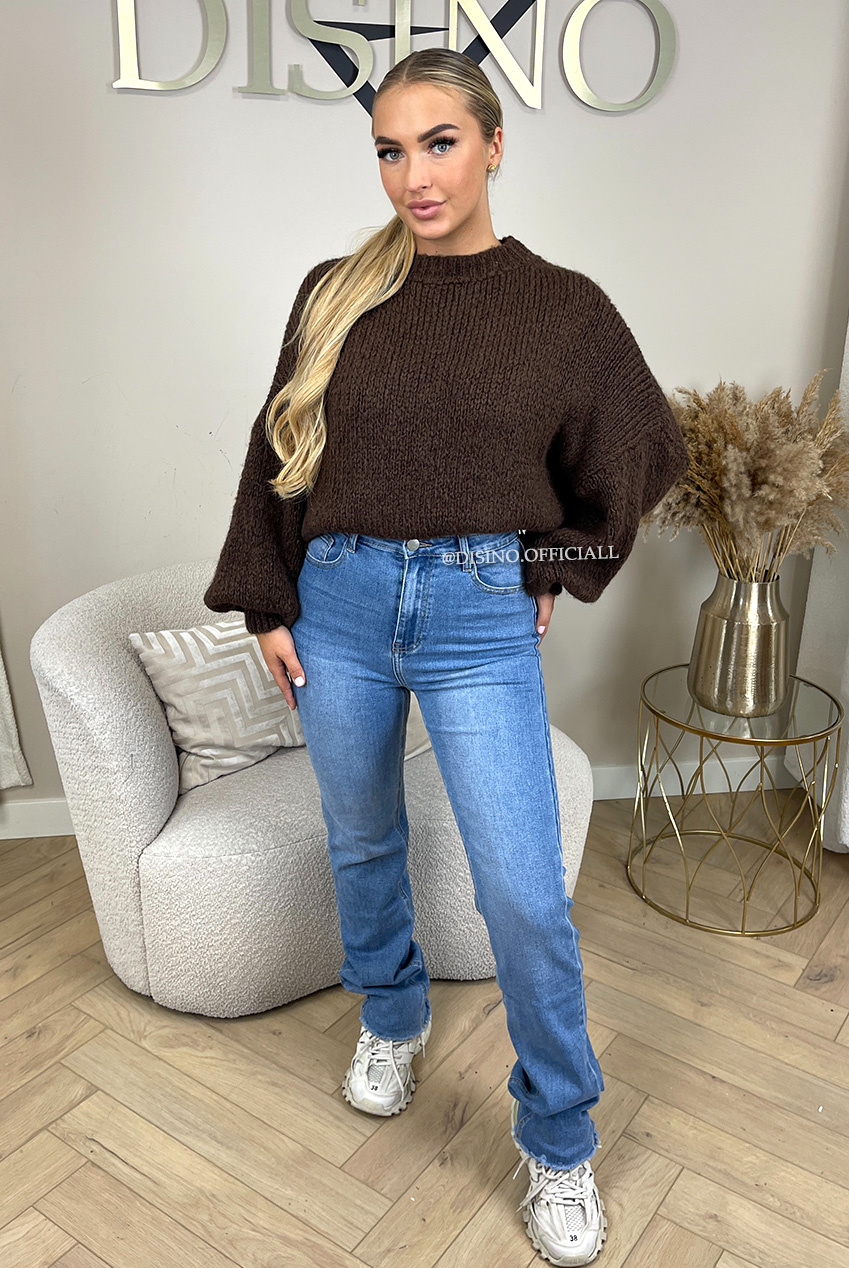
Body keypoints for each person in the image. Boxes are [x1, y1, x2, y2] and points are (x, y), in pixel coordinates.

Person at [204, 46, 688, 1268]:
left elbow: (645, 447)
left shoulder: (564, 309)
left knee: (522, 889)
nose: (413, 175)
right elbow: (278, 450)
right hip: (338, 602)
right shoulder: (335, 292)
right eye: (389, 150)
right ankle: (393, 1013)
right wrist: (267, 597)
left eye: (438, 143)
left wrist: (558, 563)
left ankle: (560, 1138)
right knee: (363, 837)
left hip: (478, 614)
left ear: (493, 146)